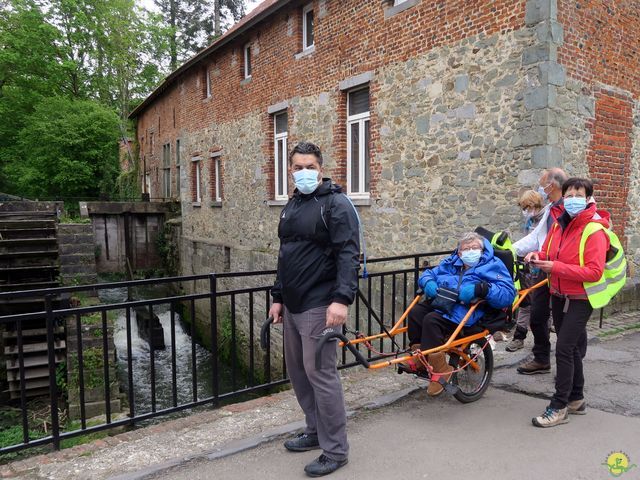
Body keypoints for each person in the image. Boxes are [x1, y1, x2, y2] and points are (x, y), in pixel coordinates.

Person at [268, 141, 359, 477]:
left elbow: (349, 254)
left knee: (322, 376)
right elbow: (284, 255)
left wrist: (341, 300)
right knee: (299, 373)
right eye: (297, 167)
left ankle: (335, 450)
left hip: (321, 304)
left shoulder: (335, 204)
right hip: (293, 304)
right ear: (289, 170)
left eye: (309, 167)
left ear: (320, 168)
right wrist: (278, 296)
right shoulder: (292, 206)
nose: (303, 172)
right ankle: (314, 430)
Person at [525, 178, 610, 427]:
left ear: (587, 199)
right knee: (570, 349)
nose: (572, 198)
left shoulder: (594, 229)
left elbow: (594, 272)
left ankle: (559, 405)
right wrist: (537, 256)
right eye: (569, 193)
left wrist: (555, 267)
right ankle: (576, 398)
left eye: (578, 194)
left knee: (563, 348)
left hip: (581, 298)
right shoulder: (559, 225)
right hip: (559, 295)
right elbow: (549, 253)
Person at [407, 232, 517, 396]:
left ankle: (441, 370)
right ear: (459, 253)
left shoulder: (492, 264)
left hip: (469, 309)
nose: (471, 251)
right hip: (444, 302)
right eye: (466, 249)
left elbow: (508, 293)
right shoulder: (451, 263)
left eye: (475, 248)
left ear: (481, 250)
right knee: (416, 313)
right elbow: (429, 273)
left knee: (431, 320)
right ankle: (422, 356)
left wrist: (481, 289)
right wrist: (428, 282)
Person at [513, 168, 568, 374]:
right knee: (537, 316)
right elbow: (537, 237)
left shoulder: (568, 209)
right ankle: (542, 358)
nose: (540, 188)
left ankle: (568, 368)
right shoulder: (551, 210)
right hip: (544, 270)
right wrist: (510, 249)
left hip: (564, 272)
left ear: (551, 186)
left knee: (565, 324)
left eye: (541, 183)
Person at [506, 190, 549, 352]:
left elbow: (539, 243)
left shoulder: (546, 218)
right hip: (528, 268)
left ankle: (530, 338)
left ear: (534, 205)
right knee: (525, 302)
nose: (525, 211)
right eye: (523, 208)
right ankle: (520, 337)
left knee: (539, 305)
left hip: (541, 266)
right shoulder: (531, 221)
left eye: (527, 207)